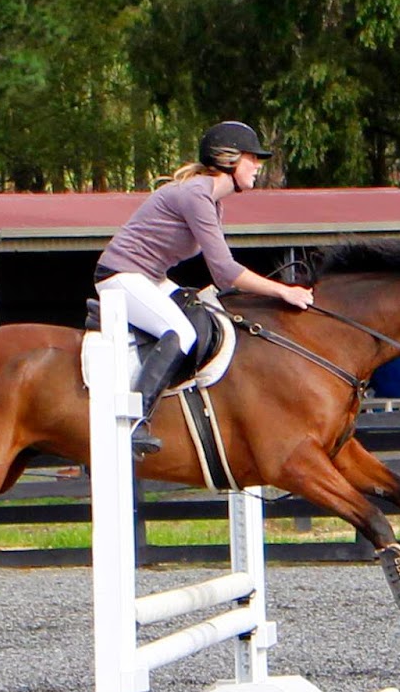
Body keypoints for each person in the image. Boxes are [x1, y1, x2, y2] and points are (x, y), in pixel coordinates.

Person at [95, 120, 314, 454]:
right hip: (120, 276)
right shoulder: (196, 195)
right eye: (252, 158)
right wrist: (283, 290)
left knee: (205, 316)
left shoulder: (212, 200)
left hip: (150, 277)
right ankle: (136, 422)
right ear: (228, 158)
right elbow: (225, 272)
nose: (257, 166)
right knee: (181, 333)